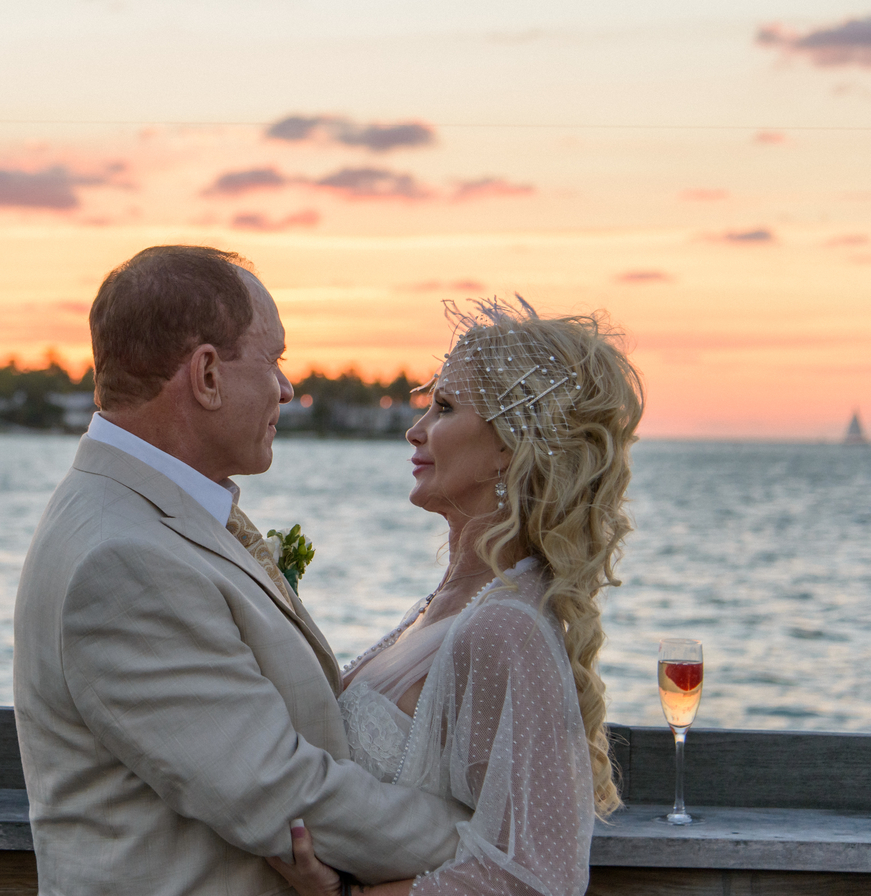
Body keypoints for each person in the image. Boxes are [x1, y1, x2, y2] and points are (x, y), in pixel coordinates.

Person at [14, 246, 469, 896]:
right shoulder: (125, 558)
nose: (285, 388)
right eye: (273, 360)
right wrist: (493, 841)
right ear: (205, 375)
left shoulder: (140, 514)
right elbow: (283, 793)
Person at [270, 297, 644, 896]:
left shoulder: (505, 629)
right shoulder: (447, 605)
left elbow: (539, 878)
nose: (415, 430)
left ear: (507, 446)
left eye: (443, 408)